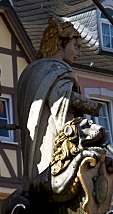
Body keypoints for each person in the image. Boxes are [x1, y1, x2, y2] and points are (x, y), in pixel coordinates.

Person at [16, 18, 101, 185]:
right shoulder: (55, 68)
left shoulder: (33, 69)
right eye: (75, 46)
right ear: (61, 44)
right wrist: (94, 107)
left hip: (35, 137)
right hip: (51, 134)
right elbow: (62, 97)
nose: (79, 53)